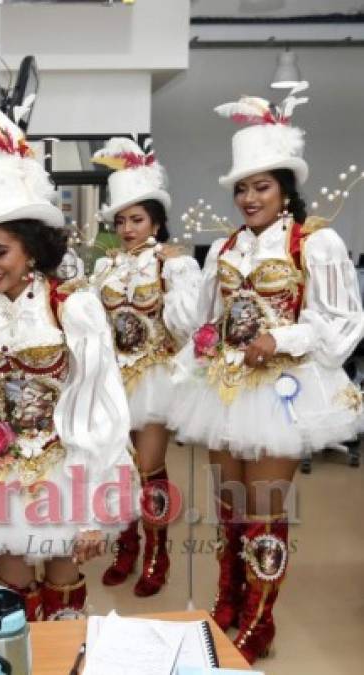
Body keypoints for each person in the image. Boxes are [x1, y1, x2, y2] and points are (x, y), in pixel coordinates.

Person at [168, 86, 364, 663]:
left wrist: (281, 338)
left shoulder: (317, 242)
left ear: (285, 190)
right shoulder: (226, 248)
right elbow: (205, 321)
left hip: (283, 392)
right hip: (224, 390)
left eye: (262, 186)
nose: (250, 198)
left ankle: (259, 620)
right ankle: (227, 605)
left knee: (264, 510)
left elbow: (342, 321)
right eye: (243, 188)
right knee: (228, 508)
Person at [0, 98, 139, 622]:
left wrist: (97, 503)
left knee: (64, 585)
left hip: (67, 469)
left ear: (31, 249)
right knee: (12, 588)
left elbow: (103, 406)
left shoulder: (75, 307)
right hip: (0, 473)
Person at [90, 138, 201, 597]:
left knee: (150, 470)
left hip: (153, 377)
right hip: (113, 380)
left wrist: (177, 276)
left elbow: (188, 324)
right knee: (118, 469)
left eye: (137, 219)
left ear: (156, 220)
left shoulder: (172, 265)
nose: (128, 229)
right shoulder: (106, 267)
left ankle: (158, 556)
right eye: (121, 221)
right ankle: (126, 548)